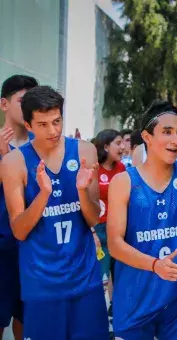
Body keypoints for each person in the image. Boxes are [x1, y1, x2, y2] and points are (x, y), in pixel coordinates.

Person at [2, 86, 109, 340]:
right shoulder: (14, 163)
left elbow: (93, 218)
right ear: (28, 125)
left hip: (85, 281)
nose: (53, 131)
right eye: (43, 124)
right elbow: (19, 230)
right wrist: (43, 195)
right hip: (42, 286)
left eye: (57, 121)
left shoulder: (84, 151)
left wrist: (82, 190)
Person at [107, 100, 177, 340]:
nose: (176, 140)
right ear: (147, 136)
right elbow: (114, 244)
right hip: (135, 300)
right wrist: (155, 265)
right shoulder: (124, 182)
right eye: (167, 132)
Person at [0, 74, 38, 340]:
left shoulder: (44, 145)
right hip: (2, 247)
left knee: (28, 319)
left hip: (35, 246)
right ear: (4, 104)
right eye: (22, 100)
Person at [93, 129, 126, 288]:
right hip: (98, 230)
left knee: (120, 276)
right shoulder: (94, 168)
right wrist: (92, 232)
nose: (123, 147)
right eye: (118, 143)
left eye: (123, 143)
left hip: (118, 229)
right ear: (106, 147)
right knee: (101, 279)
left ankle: (116, 309)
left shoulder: (122, 169)